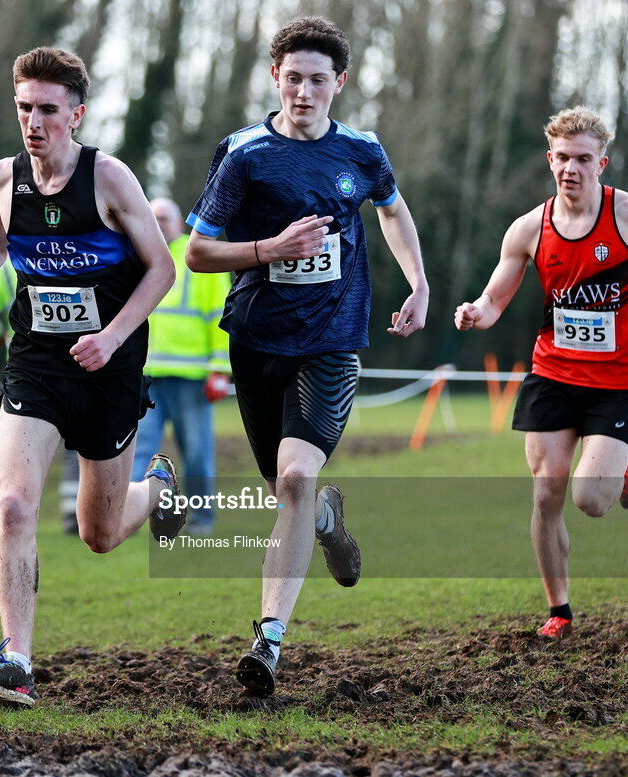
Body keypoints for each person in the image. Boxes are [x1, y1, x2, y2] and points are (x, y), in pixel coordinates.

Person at [0, 47, 183, 707]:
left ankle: (158, 491)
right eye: (24, 109)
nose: (33, 123)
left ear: (77, 114)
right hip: (36, 360)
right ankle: (16, 661)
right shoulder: (4, 180)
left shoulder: (110, 181)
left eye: (46, 110)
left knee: (98, 535)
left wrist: (113, 336)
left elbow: (161, 269)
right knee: (14, 504)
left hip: (109, 367)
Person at [184, 17, 428, 696]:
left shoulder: (362, 150)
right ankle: (326, 520)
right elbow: (198, 251)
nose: (304, 90)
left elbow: (392, 210)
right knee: (287, 491)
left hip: (332, 340)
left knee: (294, 478)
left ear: (339, 84)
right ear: (275, 79)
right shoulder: (243, 155)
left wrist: (420, 280)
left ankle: (268, 640)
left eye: (318, 79)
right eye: (292, 77)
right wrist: (268, 249)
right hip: (257, 340)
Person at [454, 106, 628, 640]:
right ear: (550, 159)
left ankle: (627, 456)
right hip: (553, 374)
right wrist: (476, 312)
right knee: (546, 495)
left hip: (616, 383)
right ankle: (559, 611)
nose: (571, 168)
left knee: (590, 501)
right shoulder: (528, 229)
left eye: (582, 159)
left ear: (601, 163)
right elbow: (495, 299)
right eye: (562, 158)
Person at [130, 197, 232, 536]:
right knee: (139, 450)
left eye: (164, 217)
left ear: (179, 223)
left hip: (192, 378)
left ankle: (201, 519)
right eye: (152, 217)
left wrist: (220, 370)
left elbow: (220, 316)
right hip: (146, 375)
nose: (158, 223)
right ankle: (132, 515)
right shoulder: (136, 256)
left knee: (197, 452)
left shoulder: (198, 259)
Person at [0, 262, 82, 535]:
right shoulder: (74, 252)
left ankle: (36, 513)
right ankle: (74, 512)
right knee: (79, 445)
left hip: (27, 367)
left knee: (27, 449)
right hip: (82, 360)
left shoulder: (0, 266)